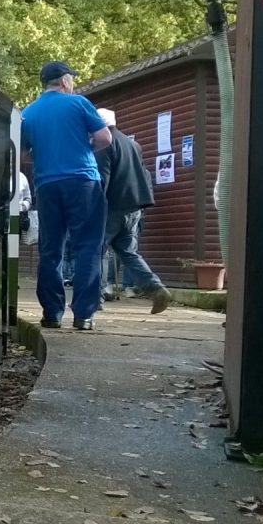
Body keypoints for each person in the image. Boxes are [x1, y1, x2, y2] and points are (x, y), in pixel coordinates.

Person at [21, 60, 113, 330]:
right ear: (63, 81)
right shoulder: (79, 103)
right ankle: (83, 315)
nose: (72, 82)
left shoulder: (30, 112)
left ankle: (52, 314)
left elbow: (23, 153)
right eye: (71, 78)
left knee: (51, 249)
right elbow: (105, 138)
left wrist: (44, 155)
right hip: (83, 181)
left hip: (47, 185)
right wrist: (83, 148)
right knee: (87, 246)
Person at [95, 108, 172, 314]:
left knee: (97, 250)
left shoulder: (104, 144)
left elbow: (103, 179)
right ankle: (156, 288)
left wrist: (94, 204)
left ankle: (95, 297)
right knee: (129, 252)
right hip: (134, 207)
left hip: (113, 206)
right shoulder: (132, 144)